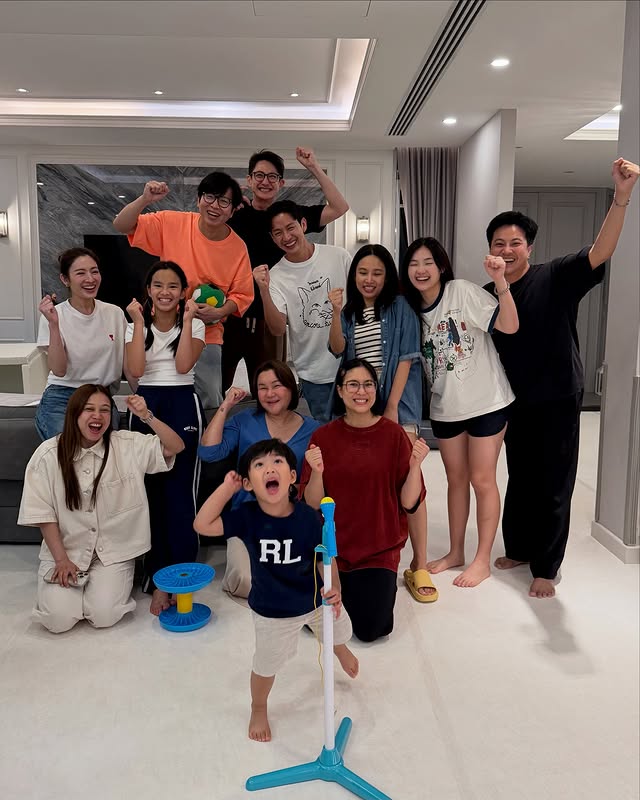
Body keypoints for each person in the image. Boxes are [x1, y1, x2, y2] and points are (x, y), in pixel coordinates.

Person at [484, 157, 639, 599]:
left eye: (515, 243)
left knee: (554, 481)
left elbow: (601, 252)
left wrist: (621, 198)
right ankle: (519, 548)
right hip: (514, 399)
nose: (507, 250)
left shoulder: (556, 275)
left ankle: (546, 566)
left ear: (529, 248)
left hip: (557, 396)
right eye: (499, 243)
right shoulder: (489, 293)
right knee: (520, 476)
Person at [194, 438, 358, 742]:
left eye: (277, 462)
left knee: (338, 629)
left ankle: (339, 648)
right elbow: (202, 525)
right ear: (248, 483)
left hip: (315, 601)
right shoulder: (247, 517)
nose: (269, 468)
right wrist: (226, 490)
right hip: (272, 612)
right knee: (266, 665)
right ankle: (258, 706)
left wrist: (334, 587)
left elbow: (325, 557)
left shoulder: (308, 517)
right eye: (259, 465)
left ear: (292, 476)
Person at [17, 384, 185, 633]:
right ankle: (69, 597)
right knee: (57, 619)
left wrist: (146, 416)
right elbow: (43, 513)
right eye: (89, 409)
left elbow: (175, 446)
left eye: (105, 410)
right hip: (67, 551)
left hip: (114, 553)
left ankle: (94, 593)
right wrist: (61, 560)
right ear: (74, 413)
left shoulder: (126, 444)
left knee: (104, 614)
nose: (98, 416)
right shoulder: (48, 454)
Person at [400, 237, 518, 588]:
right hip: (445, 407)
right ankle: (456, 552)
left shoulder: (461, 292)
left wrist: (500, 281)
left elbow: (510, 325)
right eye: (413, 264)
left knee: (482, 479)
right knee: (456, 480)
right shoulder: (410, 310)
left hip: (486, 401)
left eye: (428, 262)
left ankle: (482, 559)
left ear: (441, 266)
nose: (421, 270)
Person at [328, 244, 436, 602]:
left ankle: (419, 563)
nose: (369, 279)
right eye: (363, 272)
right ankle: (369, 555)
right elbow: (338, 350)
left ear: (387, 276)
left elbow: (406, 358)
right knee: (366, 484)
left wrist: (390, 408)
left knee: (411, 483)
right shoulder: (349, 312)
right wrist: (335, 312)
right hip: (360, 408)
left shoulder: (400, 307)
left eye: (377, 272)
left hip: (396, 407)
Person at [300, 358, 430, 642]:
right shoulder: (323, 436)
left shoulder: (394, 435)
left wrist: (415, 466)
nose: (361, 391)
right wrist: (317, 473)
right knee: (322, 619)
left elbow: (410, 503)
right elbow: (312, 503)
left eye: (368, 384)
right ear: (340, 390)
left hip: (377, 550)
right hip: (332, 549)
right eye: (353, 385)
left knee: (371, 629)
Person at [112, 171, 254, 409]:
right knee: (158, 393)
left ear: (232, 210)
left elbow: (242, 295)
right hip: (163, 327)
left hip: (207, 333)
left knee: (209, 398)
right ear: (199, 199)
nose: (215, 206)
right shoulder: (172, 222)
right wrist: (145, 199)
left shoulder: (238, 248)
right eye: (210, 197)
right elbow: (121, 225)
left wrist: (219, 312)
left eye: (224, 201)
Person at [223, 146, 349, 391]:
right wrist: (230, 202)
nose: (265, 181)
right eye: (259, 175)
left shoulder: (289, 216)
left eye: (272, 176)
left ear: (281, 183)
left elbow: (339, 207)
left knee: (271, 390)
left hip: (270, 319)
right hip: (231, 315)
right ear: (249, 180)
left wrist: (313, 167)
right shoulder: (235, 214)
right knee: (216, 389)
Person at [124, 260, 206, 615]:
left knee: (181, 494)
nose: (165, 292)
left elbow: (184, 366)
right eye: (158, 285)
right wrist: (137, 323)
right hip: (145, 403)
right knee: (149, 493)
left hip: (183, 402)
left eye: (173, 286)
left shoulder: (196, 323)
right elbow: (136, 371)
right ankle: (158, 579)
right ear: (149, 290)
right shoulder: (135, 326)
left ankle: (183, 575)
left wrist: (187, 320)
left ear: (183, 292)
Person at [199, 360, 320, 597]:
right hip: (248, 516)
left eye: (276, 386)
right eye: (262, 388)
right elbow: (208, 452)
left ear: (291, 388)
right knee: (245, 580)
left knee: (308, 576)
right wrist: (226, 405)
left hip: (292, 517)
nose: (270, 393)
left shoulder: (313, 429)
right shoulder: (244, 420)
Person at [256, 200, 351, 422]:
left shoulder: (339, 256)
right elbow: (277, 329)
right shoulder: (276, 276)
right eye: (278, 233)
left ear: (304, 225)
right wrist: (263, 290)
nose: (286, 237)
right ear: (272, 238)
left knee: (359, 433)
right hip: (314, 372)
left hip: (351, 365)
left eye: (291, 228)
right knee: (325, 434)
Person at [35, 248, 126, 440]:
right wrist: (54, 324)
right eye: (80, 273)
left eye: (94, 271)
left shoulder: (115, 313)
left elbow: (127, 363)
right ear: (65, 279)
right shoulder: (54, 315)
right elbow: (59, 370)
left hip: (100, 396)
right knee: (70, 448)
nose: (90, 279)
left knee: (106, 450)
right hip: (63, 396)